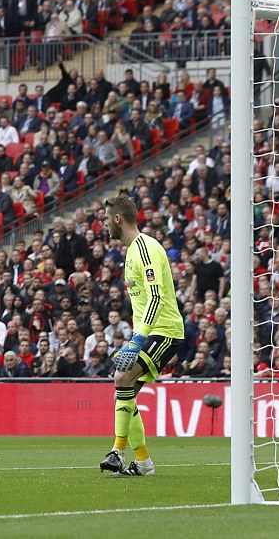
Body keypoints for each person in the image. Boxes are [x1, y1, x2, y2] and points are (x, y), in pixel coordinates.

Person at [99, 195, 184, 477]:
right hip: (151, 330)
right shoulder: (133, 251)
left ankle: (117, 452)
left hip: (165, 330)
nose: (104, 225)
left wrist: (136, 340)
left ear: (117, 219)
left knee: (122, 379)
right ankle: (143, 462)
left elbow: (156, 296)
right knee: (125, 396)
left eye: (105, 218)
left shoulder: (144, 248)